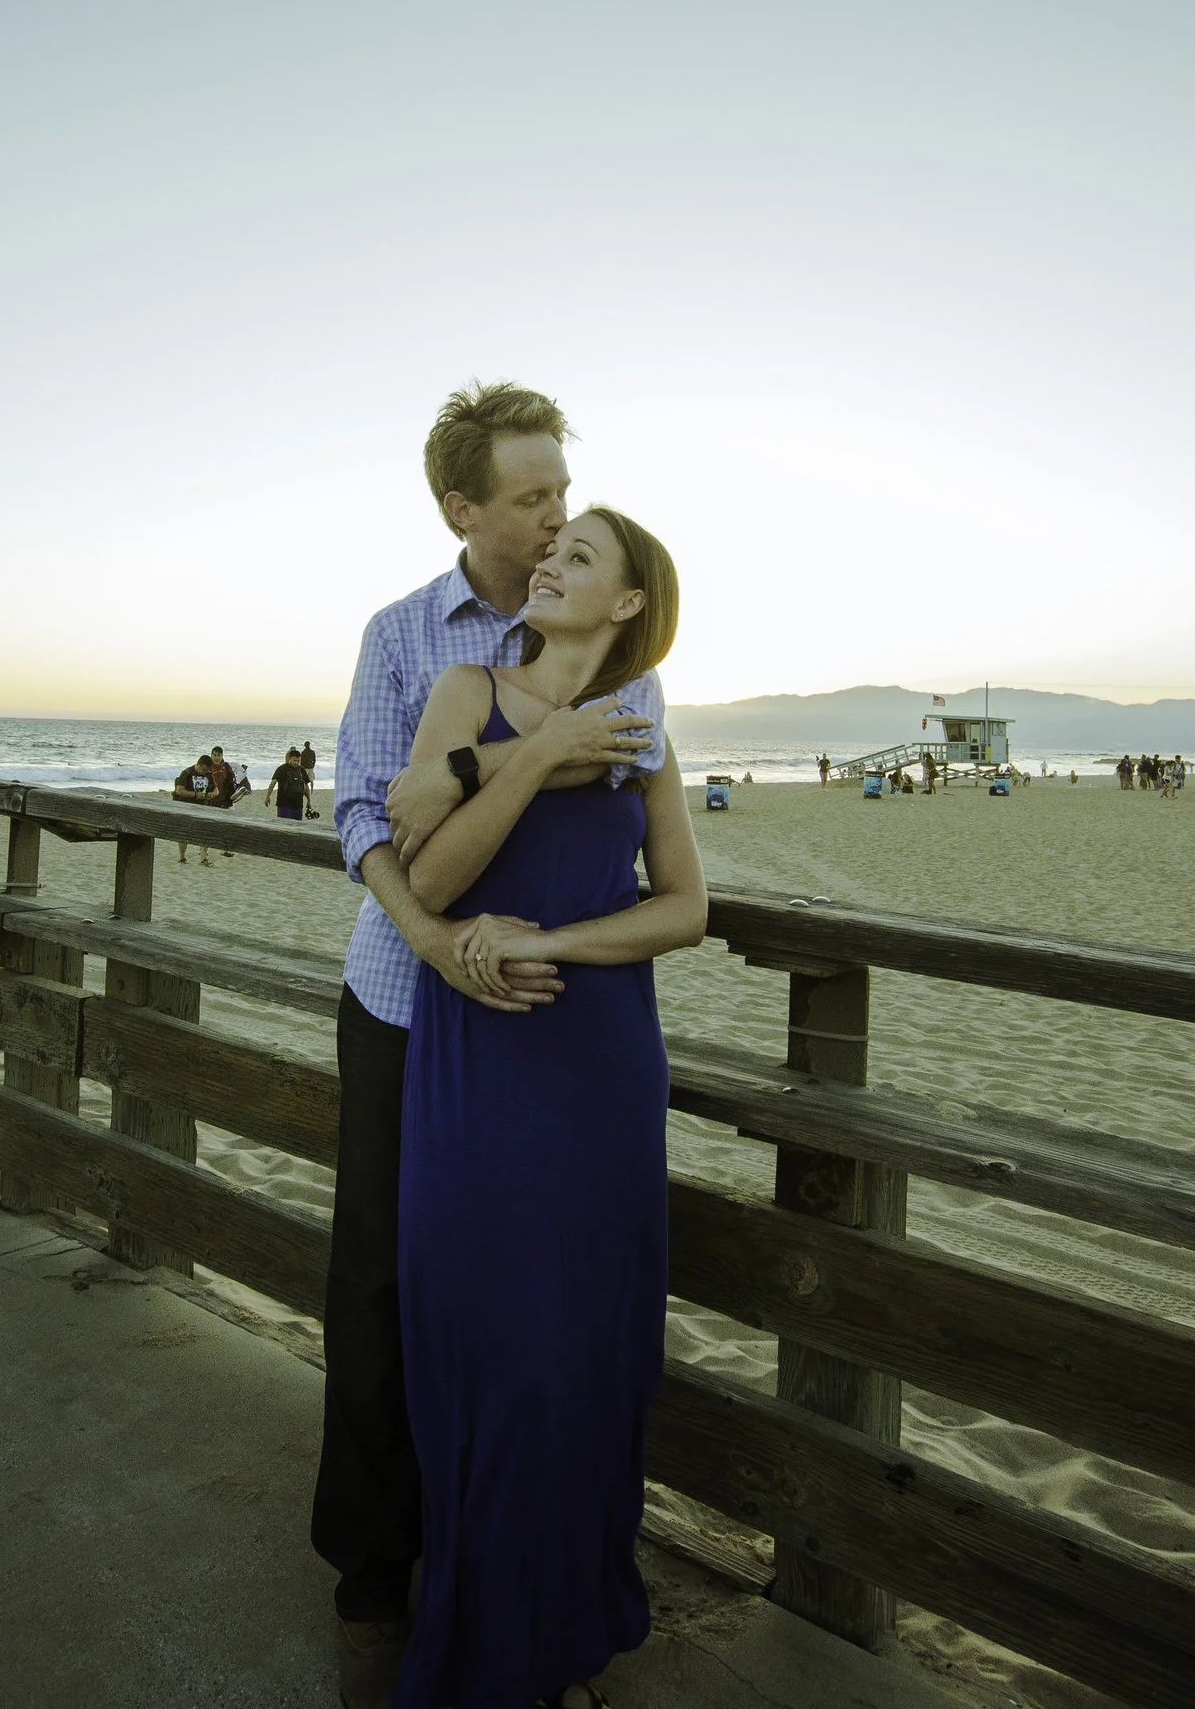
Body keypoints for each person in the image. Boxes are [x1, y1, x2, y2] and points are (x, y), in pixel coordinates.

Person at [319, 384, 665, 1709]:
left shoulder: (611, 654)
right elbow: (370, 813)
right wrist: (434, 934)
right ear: (463, 510)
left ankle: (519, 1589)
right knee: (383, 1294)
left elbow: (625, 771)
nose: (554, 518)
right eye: (531, 499)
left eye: (562, 495)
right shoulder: (408, 638)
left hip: (542, 1029)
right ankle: (373, 1584)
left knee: (528, 1314)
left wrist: (495, 762)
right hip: (404, 1003)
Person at [385, 506, 701, 1709]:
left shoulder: (643, 726)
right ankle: (479, 1652)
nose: (548, 562)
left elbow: (683, 905)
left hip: (599, 1059)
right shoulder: (466, 691)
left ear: (627, 603)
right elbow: (426, 880)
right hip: (479, 1049)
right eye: (549, 548)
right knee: (493, 1348)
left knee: (583, 1354)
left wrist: (550, 942)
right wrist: (532, 752)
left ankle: (562, 1643)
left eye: (580, 556)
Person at [271, 747, 311, 821]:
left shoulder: (301, 770)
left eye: (298, 761)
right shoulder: (282, 769)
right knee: (284, 824)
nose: (296, 763)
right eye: (294, 760)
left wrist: (309, 800)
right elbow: (273, 782)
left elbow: (306, 786)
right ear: (290, 758)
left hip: (298, 804)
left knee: (297, 825)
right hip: (284, 803)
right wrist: (267, 796)